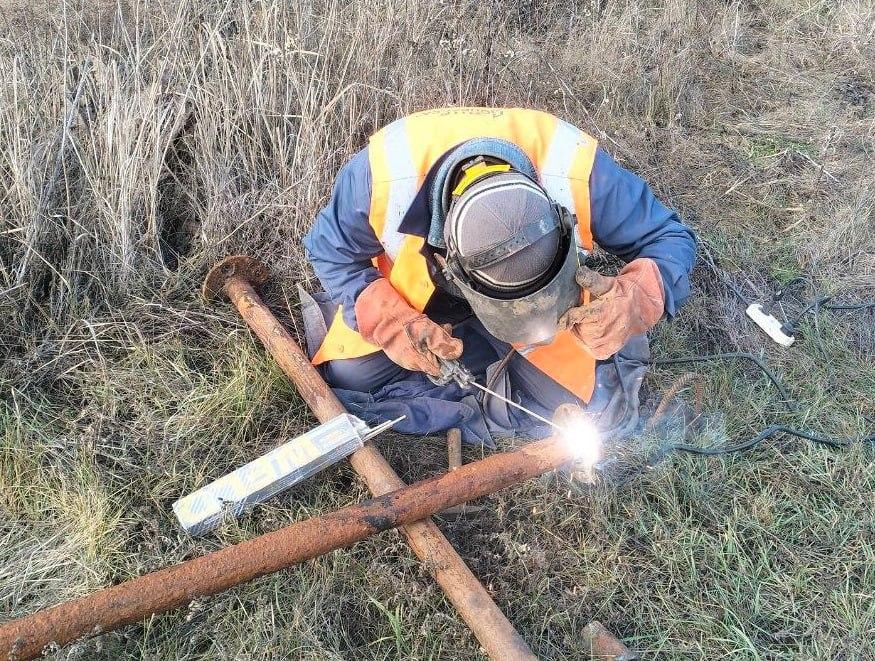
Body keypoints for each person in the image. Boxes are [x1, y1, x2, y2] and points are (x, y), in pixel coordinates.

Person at [301, 107, 696, 445]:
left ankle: (492, 342)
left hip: (548, 314)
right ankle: (470, 341)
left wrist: (637, 296)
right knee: (351, 377)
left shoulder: (577, 171)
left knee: (573, 402)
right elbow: (331, 251)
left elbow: (670, 238)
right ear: (449, 257)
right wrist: (391, 321)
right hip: (416, 299)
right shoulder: (383, 175)